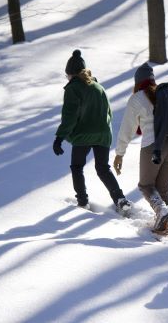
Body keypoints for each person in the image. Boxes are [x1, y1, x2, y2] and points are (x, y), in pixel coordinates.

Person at [114, 62, 168, 234]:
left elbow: (127, 128)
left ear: (138, 82)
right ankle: (164, 224)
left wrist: (120, 153)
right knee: (163, 189)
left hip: (153, 147)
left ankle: (162, 212)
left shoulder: (138, 98)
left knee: (146, 185)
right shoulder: (167, 95)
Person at [53, 49, 132, 215]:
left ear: (70, 74)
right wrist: (104, 132)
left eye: (67, 75)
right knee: (103, 168)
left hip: (83, 135)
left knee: (77, 167)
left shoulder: (73, 88)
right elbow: (108, 112)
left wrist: (59, 137)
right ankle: (120, 199)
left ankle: (83, 202)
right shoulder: (98, 86)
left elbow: (70, 115)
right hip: (103, 134)